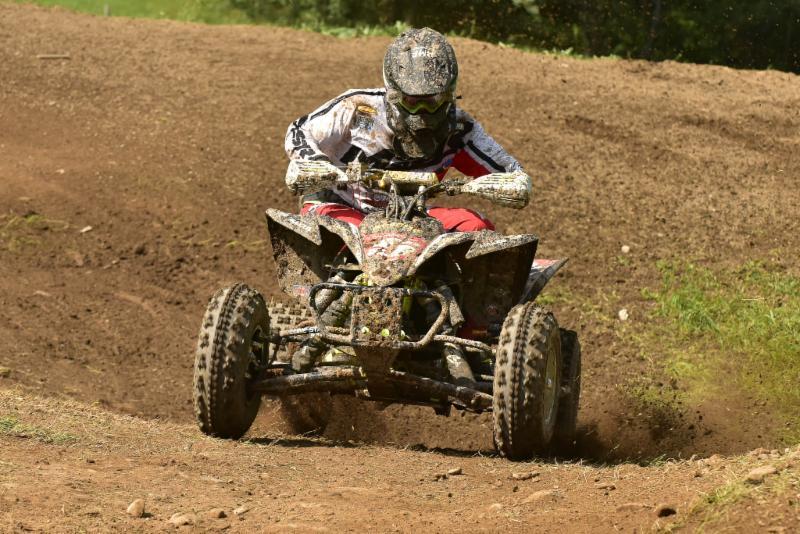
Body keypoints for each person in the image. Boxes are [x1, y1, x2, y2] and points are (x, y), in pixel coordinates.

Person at [284, 27, 532, 231]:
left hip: (411, 216)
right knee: (333, 231)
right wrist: (315, 162)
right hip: (342, 205)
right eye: (413, 101)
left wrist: (512, 184)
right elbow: (299, 131)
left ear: (450, 94)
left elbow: (511, 173)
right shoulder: (358, 109)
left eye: (433, 99)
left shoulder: (460, 131)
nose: (423, 110)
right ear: (393, 93)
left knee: (476, 227)